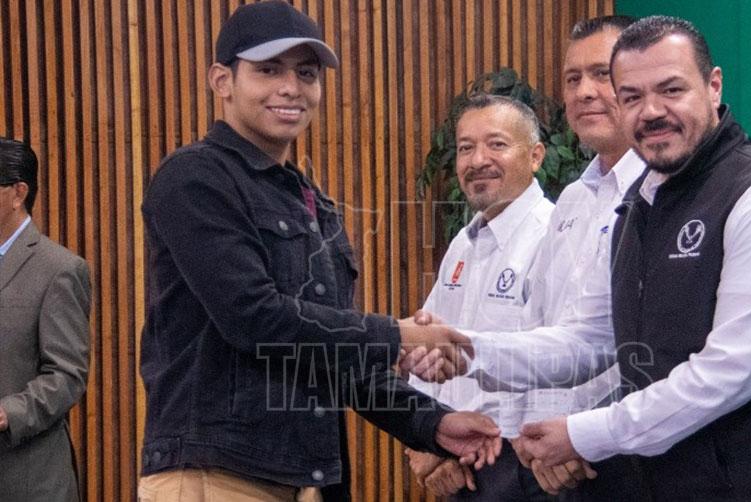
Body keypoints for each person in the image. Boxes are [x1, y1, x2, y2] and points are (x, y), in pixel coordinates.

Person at [137, 2, 499, 501]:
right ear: (222, 81)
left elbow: (334, 358)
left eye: (306, 73)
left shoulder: (313, 202)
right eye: (268, 70)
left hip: (308, 479)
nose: (291, 87)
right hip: (216, 475)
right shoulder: (195, 178)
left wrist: (433, 423)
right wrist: (397, 335)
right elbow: (253, 317)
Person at [507, 16, 751, 500]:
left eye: (671, 90)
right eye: (632, 97)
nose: (651, 111)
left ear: (713, 87)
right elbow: (592, 339)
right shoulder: (639, 203)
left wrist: (584, 434)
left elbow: (732, 373)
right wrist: (463, 351)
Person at [405, 16, 647, 498]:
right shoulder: (574, 203)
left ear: (536, 156)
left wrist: (568, 437)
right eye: (572, 78)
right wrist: (428, 434)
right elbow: (552, 337)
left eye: (601, 74)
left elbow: (608, 349)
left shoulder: (656, 195)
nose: (584, 91)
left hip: (557, 452)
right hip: (502, 452)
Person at [404, 94, 556, 500]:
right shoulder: (463, 243)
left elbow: (560, 365)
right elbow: (427, 345)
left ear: (536, 156)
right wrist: (429, 438)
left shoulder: (554, 236)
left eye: (497, 144)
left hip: (521, 465)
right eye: (465, 148)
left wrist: (458, 449)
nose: (477, 161)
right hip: (457, 457)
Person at [0, 138, 91, 502]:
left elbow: (67, 375)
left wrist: (8, 413)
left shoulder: (60, 269)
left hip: (28, 481)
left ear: (18, 193)